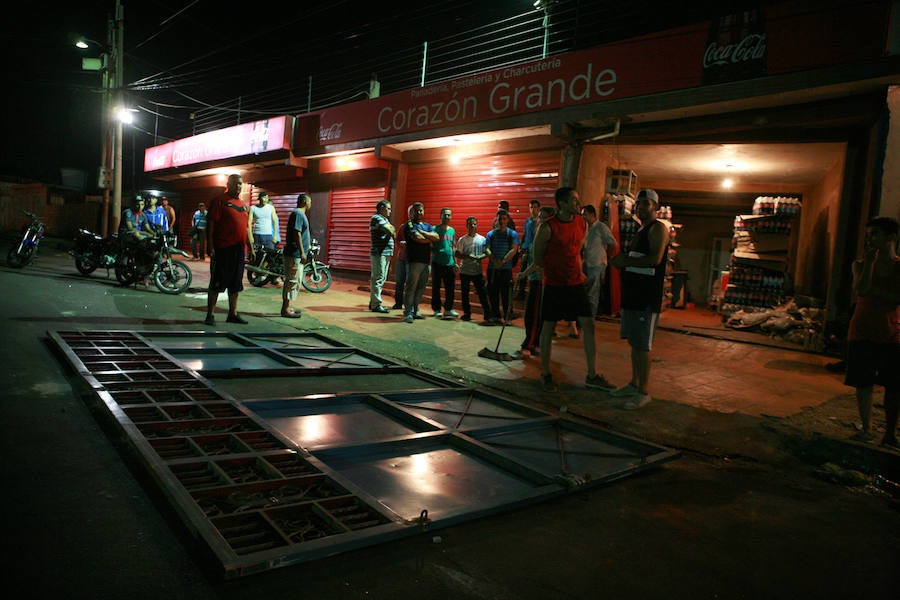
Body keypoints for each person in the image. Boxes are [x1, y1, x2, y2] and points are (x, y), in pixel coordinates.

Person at [533, 186, 613, 392]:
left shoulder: (581, 222)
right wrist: (555, 270)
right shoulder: (548, 227)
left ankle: (592, 374)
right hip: (554, 285)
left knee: (588, 325)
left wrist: (578, 269)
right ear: (562, 204)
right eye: (574, 201)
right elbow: (537, 257)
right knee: (548, 328)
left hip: (576, 283)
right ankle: (546, 374)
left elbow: (578, 249)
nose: (578, 205)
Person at [608, 188, 671, 408]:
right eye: (639, 203)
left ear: (655, 207)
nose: (640, 207)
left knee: (643, 345)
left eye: (646, 203)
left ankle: (643, 391)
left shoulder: (658, 229)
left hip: (646, 297)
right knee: (635, 342)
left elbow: (655, 259)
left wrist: (625, 261)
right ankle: (634, 384)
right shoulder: (641, 229)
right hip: (633, 296)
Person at [843, 216, 899, 447]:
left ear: (891, 237)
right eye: (868, 236)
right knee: (863, 383)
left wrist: (880, 294)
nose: (870, 240)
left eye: (875, 234)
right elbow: (862, 290)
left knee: (894, 386)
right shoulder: (860, 264)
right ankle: (866, 428)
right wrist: (869, 264)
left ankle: (890, 434)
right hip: (862, 330)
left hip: (891, 333)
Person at [204, 174, 250, 326]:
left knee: (236, 283)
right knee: (217, 282)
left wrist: (251, 246)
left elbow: (246, 228)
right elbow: (211, 225)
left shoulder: (243, 205)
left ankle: (232, 314)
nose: (238, 186)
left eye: (240, 184)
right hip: (223, 249)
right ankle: (210, 315)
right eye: (236, 183)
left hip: (239, 249)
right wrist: (210, 246)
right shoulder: (219, 201)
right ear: (228, 184)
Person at [516, 205, 555, 357]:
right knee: (531, 314)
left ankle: (530, 343)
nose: (541, 220)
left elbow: (538, 263)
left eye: (544, 218)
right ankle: (533, 343)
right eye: (540, 217)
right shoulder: (537, 235)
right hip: (534, 279)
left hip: (540, 280)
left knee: (534, 314)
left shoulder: (547, 237)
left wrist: (523, 274)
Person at [400, 202, 439, 323]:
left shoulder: (427, 225)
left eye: (421, 210)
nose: (419, 213)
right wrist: (429, 238)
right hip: (414, 261)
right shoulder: (409, 224)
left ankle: (415, 310)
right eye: (416, 211)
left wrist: (423, 233)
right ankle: (407, 313)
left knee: (421, 288)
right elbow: (417, 238)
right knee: (411, 287)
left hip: (426, 262)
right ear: (411, 213)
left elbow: (437, 237)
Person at [581, 203, 619, 318]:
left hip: (597, 263)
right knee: (585, 291)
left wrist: (607, 257)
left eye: (585, 214)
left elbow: (613, 243)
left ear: (592, 214)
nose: (583, 217)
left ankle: (590, 317)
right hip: (586, 263)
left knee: (593, 292)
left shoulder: (601, 227)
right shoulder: (586, 228)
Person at [485, 209, 520, 324]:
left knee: (506, 294)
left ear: (508, 220)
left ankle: (507, 317)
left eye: (504, 218)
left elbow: (514, 249)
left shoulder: (512, 234)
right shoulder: (491, 234)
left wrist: (503, 261)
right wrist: (495, 260)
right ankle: (496, 316)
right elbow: (487, 249)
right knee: (493, 293)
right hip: (493, 269)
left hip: (506, 269)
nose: (502, 221)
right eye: (499, 218)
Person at [281, 193, 311, 319]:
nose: (310, 205)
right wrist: (302, 251)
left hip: (295, 253)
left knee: (293, 280)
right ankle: (285, 309)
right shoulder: (299, 214)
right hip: (294, 254)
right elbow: (297, 233)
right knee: (292, 280)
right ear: (305, 202)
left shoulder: (299, 214)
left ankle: (286, 307)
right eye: (310, 202)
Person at [455, 216, 490, 322]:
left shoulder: (482, 239)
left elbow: (486, 252)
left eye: (474, 224)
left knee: (482, 293)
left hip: (477, 271)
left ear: (477, 225)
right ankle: (467, 314)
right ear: (467, 226)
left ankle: (487, 314)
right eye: (470, 224)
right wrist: (468, 256)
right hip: (465, 271)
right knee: (465, 294)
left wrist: (481, 257)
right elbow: (457, 253)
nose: (473, 226)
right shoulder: (462, 239)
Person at [430, 207, 459, 319]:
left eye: (449, 215)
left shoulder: (452, 230)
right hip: (437, 262)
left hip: (450, 263)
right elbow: (431, 244)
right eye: (445, 214)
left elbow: (453, 246)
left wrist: (455, 262)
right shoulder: (434, 229)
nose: (447, 217)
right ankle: (436, 309)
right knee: (436, 287)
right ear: (440, 216)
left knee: (450, 288)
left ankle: (448, 309)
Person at [369, 200, 395, 313]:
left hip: (386, 253)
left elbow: (392, 231)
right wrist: (391, 229)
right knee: (378, 278)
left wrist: (391, 229)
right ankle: (376, 304)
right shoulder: (376, 218)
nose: (390, 211)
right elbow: (391, 231)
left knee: (382, 278)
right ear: (382, 208)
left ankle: (373, 303)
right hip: (380, 252)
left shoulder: (385, 220)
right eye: (388, 208)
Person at [515, 199, 541, 300]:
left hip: (535, 249)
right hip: (526, 248)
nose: (533, 209)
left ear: (538, 208)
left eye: (535, 207)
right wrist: (521, 246)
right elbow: (525, 233)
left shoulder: (540, 221)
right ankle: (521, 292)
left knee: (533, 271)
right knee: (523, 270)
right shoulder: (528, 220)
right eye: (531, 207)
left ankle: (532, 293)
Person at [391, 205, 415, 310]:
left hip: (412, 260)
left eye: (414, 212)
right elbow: (397, 240)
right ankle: (398, 303)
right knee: (399, 281)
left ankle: (409, 305)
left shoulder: (420, 227)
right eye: (411, 212)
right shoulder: (403, 226)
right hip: (401, 258)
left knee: (410, 283)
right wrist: (401, 243)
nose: (412, 214)